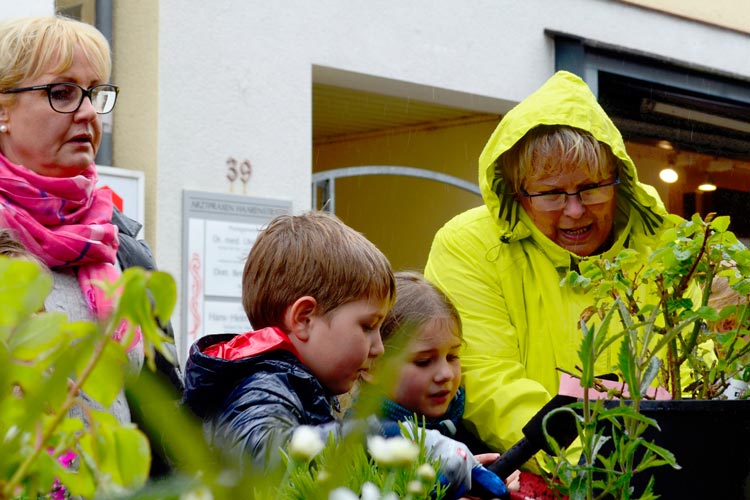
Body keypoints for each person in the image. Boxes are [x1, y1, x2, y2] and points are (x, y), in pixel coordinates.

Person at [424, 70, 673, 472]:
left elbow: (699, 372)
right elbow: (489, 381)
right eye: (551, 193)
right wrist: (594, 467)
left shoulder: (664, 249)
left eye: (591, 187)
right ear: (517, 191)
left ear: (618, 179)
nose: (575, 210)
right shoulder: (468, 245)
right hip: (532, 475)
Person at [183, 212, 506, 498]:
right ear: (304, 319)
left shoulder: (294, 386)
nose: (378, 347)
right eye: (367, 326)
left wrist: (421, 477)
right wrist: (401, 443)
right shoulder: (260, 385)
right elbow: (268, 455)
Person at [0, 15, 182, 476]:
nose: (88, 114)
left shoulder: (118, 247)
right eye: (61, 93)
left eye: (95, 93)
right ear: (2, 109)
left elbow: (161, 423)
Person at [372, 271, 521, 495]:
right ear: (372, 365)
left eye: (452, 357)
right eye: (423, 362)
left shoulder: (468, 425)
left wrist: (503, 482)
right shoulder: (365, 444)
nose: (445, 374)